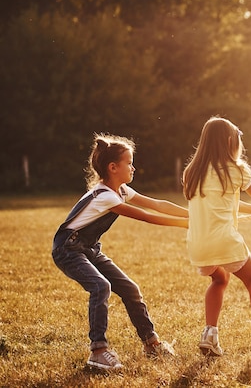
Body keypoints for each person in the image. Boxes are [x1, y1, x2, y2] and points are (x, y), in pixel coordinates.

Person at [52, 133, 189, 370]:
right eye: (129, 163)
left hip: (88, 248)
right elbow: (147, 217)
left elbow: (156, 204)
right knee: (100, 286)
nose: (133, 167)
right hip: (68, 249)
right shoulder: (105, 196)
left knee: (130, 289)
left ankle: (151, 344)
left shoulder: (121, 190)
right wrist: (186, 224)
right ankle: (98, 351)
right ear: (113, 167)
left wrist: (192, 214)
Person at [182, 116, 251, 359]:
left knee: (219, 280)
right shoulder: (236, 169)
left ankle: (209, 334)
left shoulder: (192, 172)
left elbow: (221, 202)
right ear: (230, 141)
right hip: (224, 240)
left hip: (197, 243)